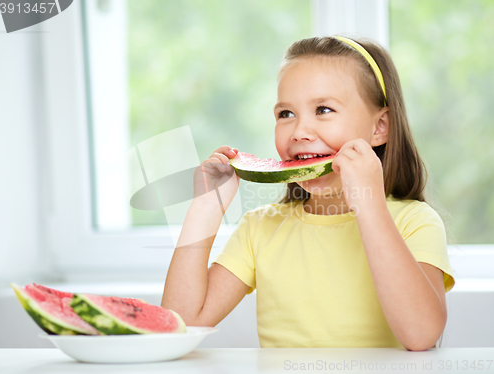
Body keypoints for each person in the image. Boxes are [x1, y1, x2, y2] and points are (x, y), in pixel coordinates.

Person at [161, 35, 455, 351]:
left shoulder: (415, 222)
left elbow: (422, 335)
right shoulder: (260, 229)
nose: (300, 132)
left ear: (380, 126)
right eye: (285, 114)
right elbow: (180, 324)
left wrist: (369, 205)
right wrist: (206, 208)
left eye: (323, 109)